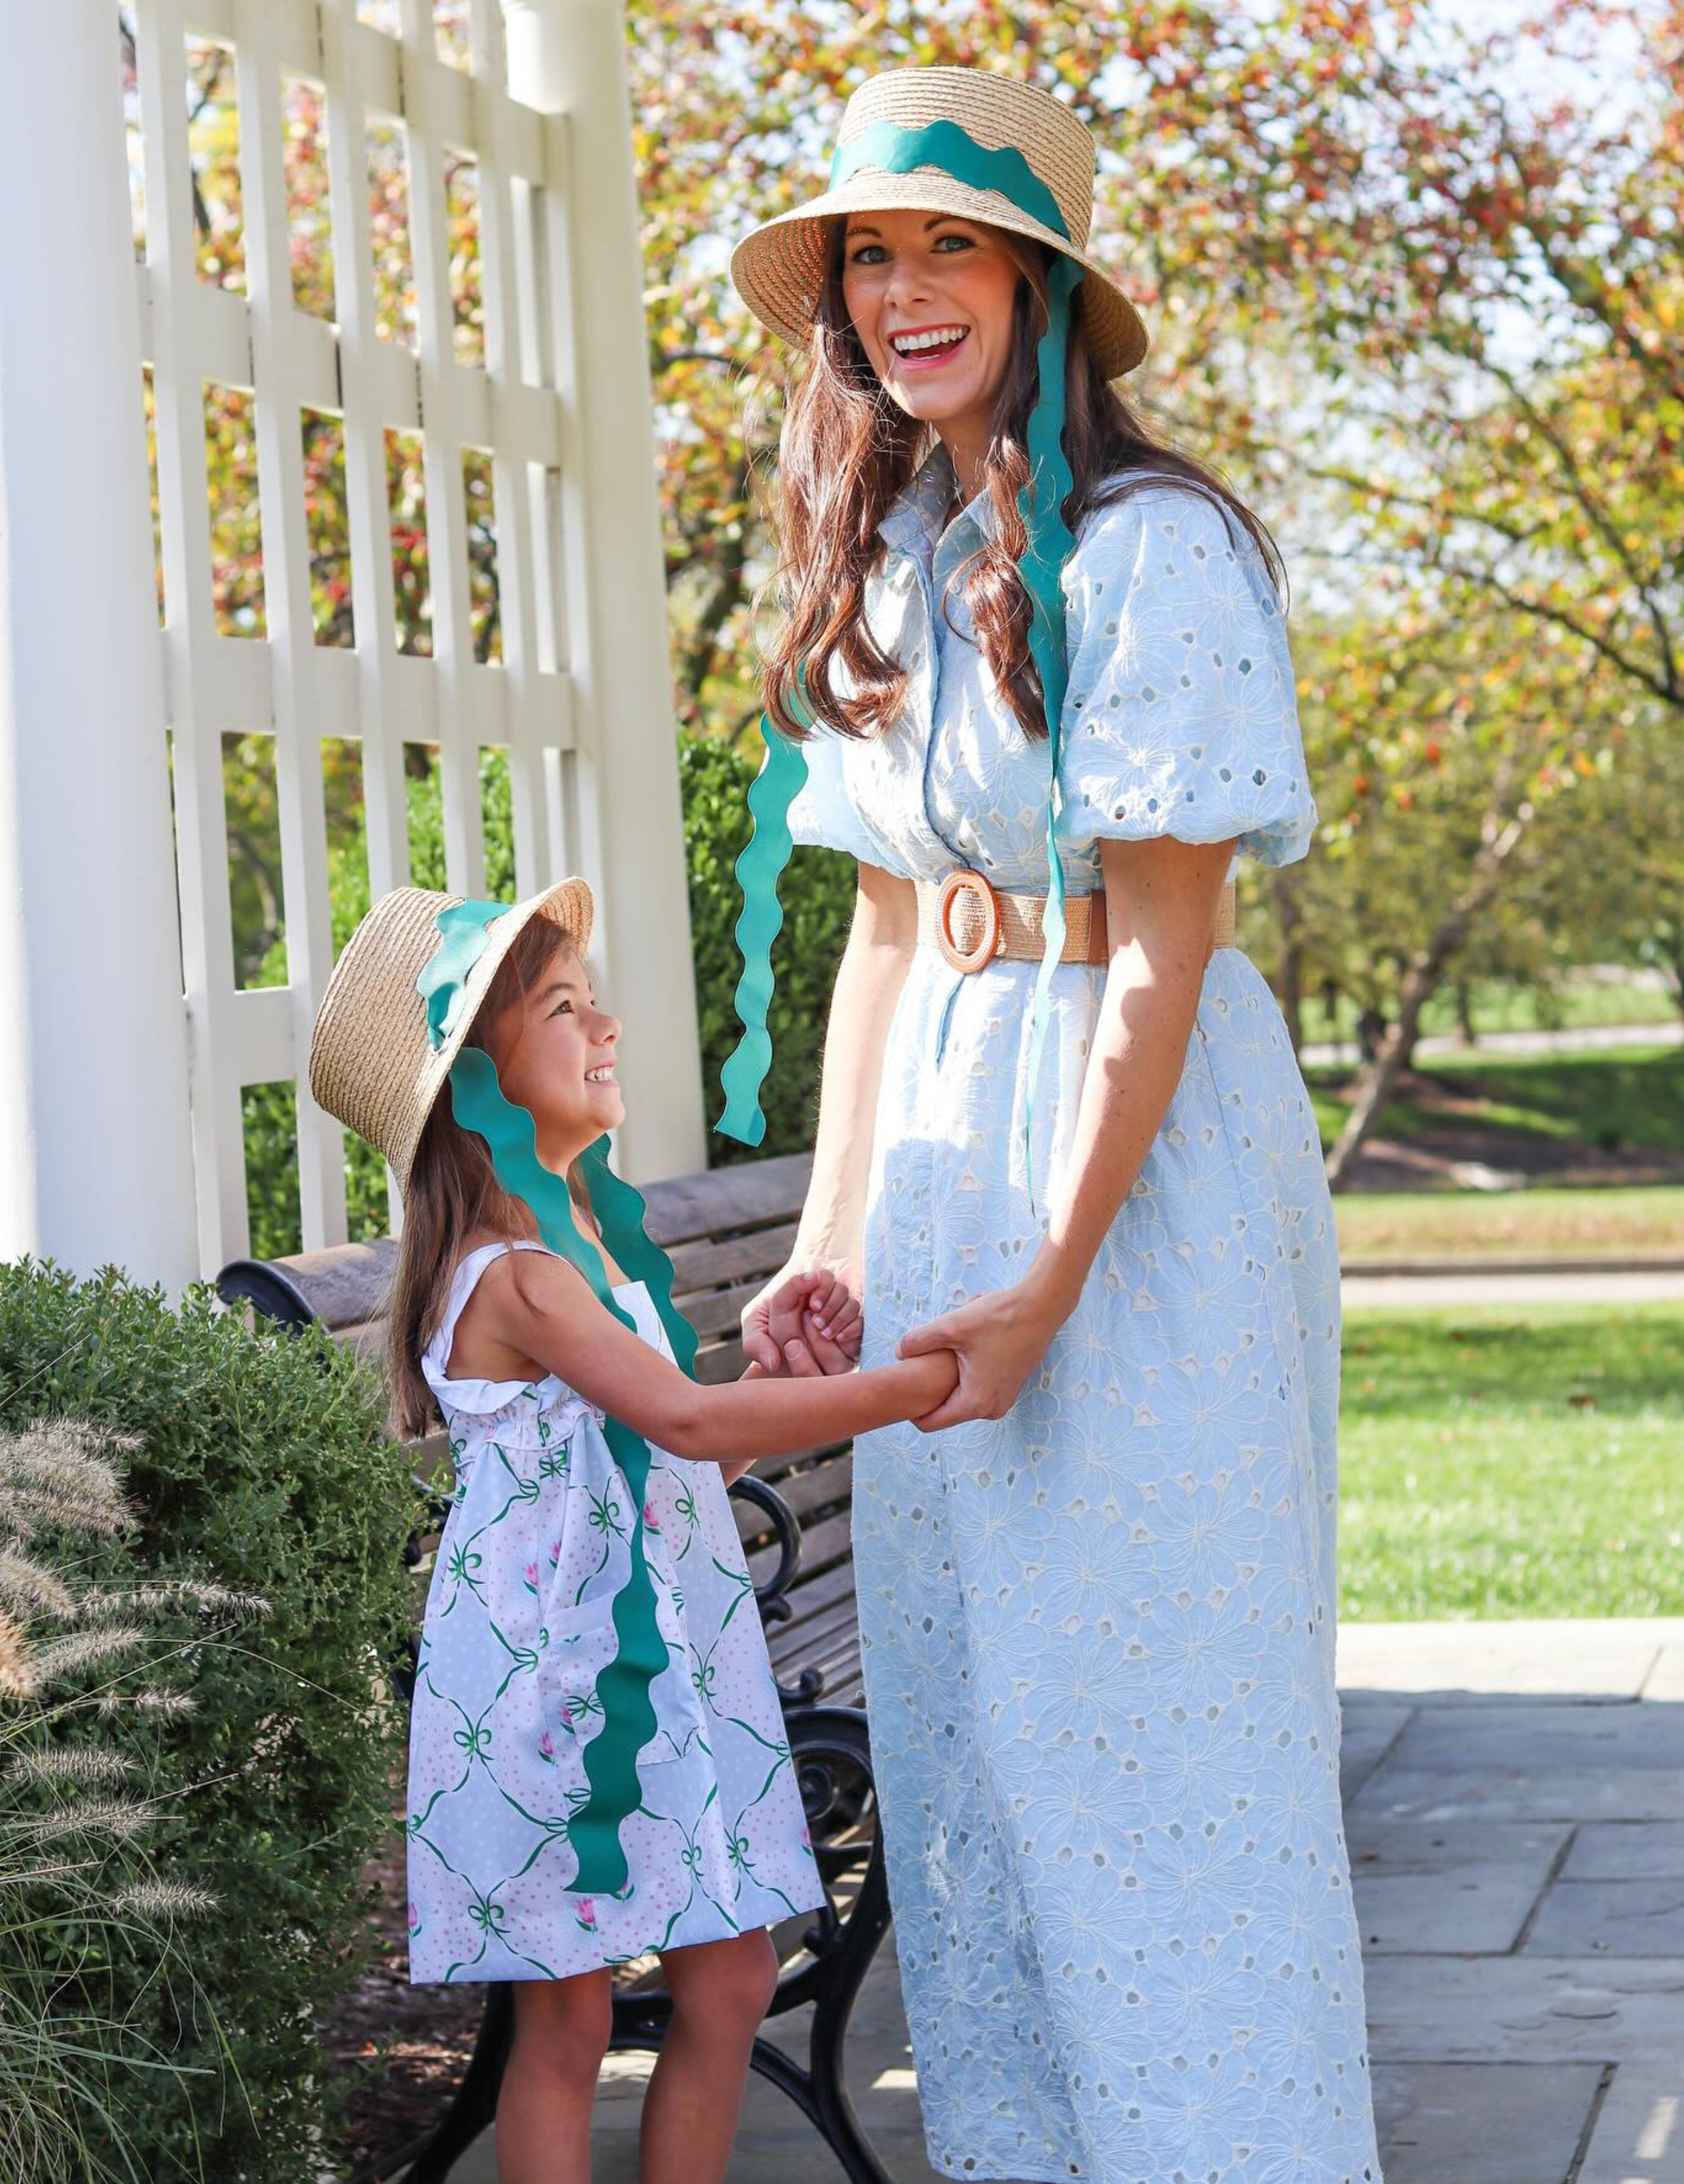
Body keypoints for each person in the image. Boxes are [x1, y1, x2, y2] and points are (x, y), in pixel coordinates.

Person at [722, 66, 1384, 2184]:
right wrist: (832, 1240)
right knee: (985, 1749)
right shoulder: (899, 560)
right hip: (945, 1164)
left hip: (1141, 1185)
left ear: (1040, 280)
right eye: (872, 253)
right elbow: (890, 943)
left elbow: (1157, 973)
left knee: (1159, 1744)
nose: (907, 287)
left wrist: (1053, 1279)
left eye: (951, 243)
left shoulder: (1156, 551)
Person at [306, 876, 952, 2184]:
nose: (605, 1029)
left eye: (593, 1002)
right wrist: (927, 1386)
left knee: (726, 1976)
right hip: (560, 1687)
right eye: (563, 1008)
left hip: (655, 1665)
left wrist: (779, 1376)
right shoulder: (521, 1275)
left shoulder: (583, 1242)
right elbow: (690, 1429)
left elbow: (678, 1446)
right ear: (478, 1081)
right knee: (571, 2008)